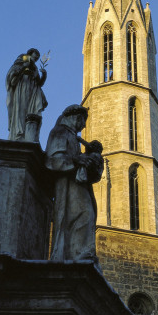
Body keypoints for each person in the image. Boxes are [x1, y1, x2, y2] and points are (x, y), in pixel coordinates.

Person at [45, 104, 104, 261]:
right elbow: (52, 161)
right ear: (75, 118)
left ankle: (81, 252)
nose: (83, 126)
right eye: (82, 121)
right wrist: (77, 160)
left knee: (87, 214)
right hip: (67, 185)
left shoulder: (72, 136)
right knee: (84, 214)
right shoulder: (60, 132)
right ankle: (77, 254)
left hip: (77, 184)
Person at [6, 48, 48, 141]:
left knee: (31, 112)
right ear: (30, 53)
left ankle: (29, 134)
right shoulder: (24, 57)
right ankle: (19, 133)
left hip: (32, 89)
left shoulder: (35, 68)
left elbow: (39, 83)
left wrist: (44, 75)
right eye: (35, 54)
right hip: (23, 86)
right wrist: (26, 66)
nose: (37, 57)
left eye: (38, 56)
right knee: (21, 109)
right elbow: (17, 70)